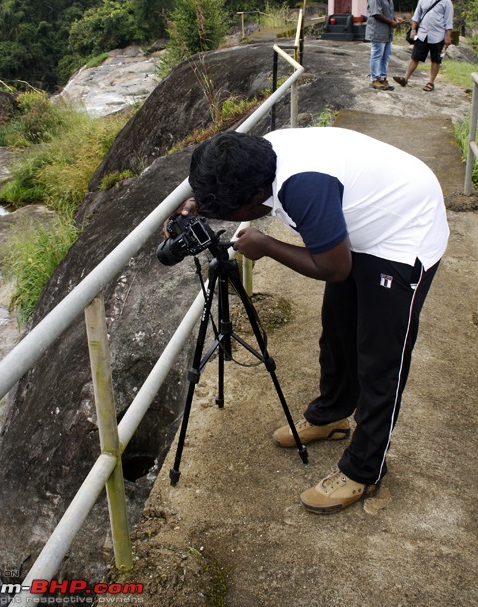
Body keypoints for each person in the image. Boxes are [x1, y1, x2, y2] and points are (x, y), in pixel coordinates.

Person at [173, 128, 449, 514]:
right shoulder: (255, 157)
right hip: (360, 224)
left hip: (402, 233)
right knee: (337, 332)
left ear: (255, 198)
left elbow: (334, 268)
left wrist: (266, 246)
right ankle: (331, 417)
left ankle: (364, 470)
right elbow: (335, 261)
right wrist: (206, 204)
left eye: (228, 209)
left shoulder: (303, 188)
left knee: (380, 360)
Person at [394, 0, 453, 92]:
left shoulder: (446, 2)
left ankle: (430, 82)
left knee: (435, 60)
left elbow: (448, 21)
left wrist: (448, 36)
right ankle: (405, 79)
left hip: (438, 36)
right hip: (422, 34)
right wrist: (413, 30)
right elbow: (416, 16)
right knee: (415, 56)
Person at [365, 0, 404, 91]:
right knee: (377, 55)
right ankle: (374, 79)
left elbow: (386, 13)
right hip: (377, 31)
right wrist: (391, 22)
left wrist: (395, 19)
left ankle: (382, 78)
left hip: (387, 33)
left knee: (385, 57)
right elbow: (376, 14)